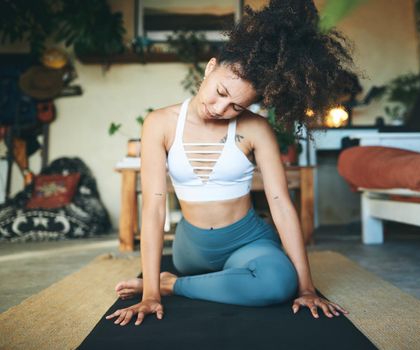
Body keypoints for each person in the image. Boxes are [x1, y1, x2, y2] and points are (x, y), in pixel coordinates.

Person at [106, 0, 359, 327]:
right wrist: (149, 294)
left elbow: (281, 205)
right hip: (190, 250)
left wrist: (307, 288)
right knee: (230, 275)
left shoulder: (257, 129)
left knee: (278, 282)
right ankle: (174, 283)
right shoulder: (160, 123)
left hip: (247, 242)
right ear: (210, 68)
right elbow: (153, 207)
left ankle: (176, 285)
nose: (219, 107)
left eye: (236, 107)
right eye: (220, 91)